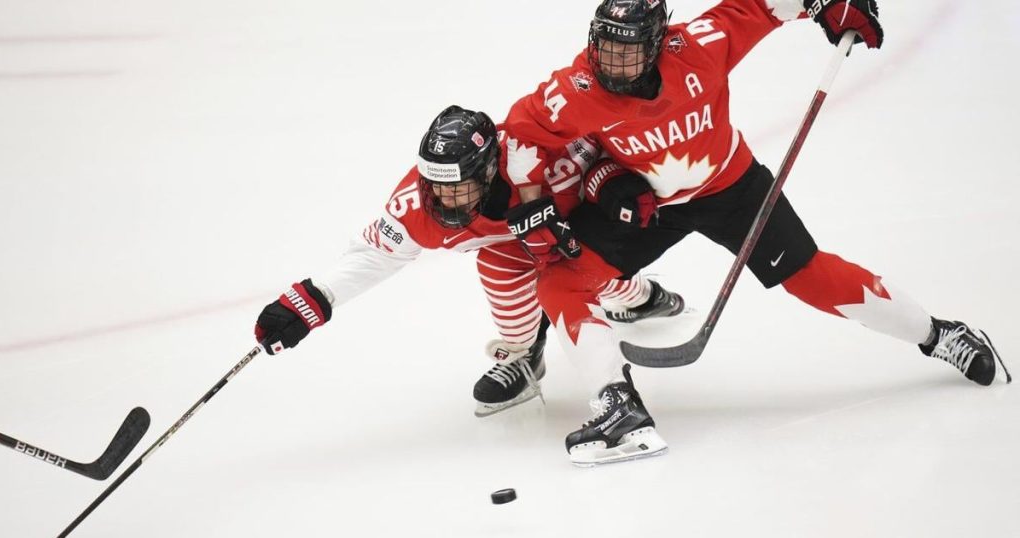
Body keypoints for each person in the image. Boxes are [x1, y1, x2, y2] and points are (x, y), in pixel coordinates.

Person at [500, 0, 1009, 466]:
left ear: (657, 42)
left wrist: (826, 3)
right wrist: (532, 200)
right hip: (649, 204)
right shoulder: (575, 89)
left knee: (810, 276)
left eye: (628, 49)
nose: (613, 61)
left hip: (733, 189)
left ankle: (940, 335)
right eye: (606, 45)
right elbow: (521, 131)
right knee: (560, 280)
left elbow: (762, 6)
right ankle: (619, 405)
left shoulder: (699, 46)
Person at [252, 105, 685, 418]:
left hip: (570, 231)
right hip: (509, 248)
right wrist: (312, 300)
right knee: (497, 266)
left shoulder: (540, 156)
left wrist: (609, 183)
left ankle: (641, 296)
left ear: (488, 172)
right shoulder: (417, 207)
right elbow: (372, 256)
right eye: (436, 185)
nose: (444, 199)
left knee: (585, 274)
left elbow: (605, 144)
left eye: (458, 187)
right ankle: (525, 354)